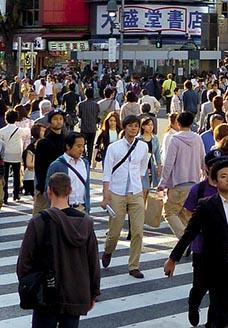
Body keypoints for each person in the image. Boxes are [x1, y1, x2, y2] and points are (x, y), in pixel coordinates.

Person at [165, 159, 228, 328]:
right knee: (218, 310)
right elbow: (190, 233)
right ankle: (200, 311)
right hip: (218, 266)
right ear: (215, 181)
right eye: (223, 176)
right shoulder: (207, 205)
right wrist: (173, 259)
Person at [16, 172, 101, 328]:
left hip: (47, 294)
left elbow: (24, 262)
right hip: (75, 293)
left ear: (49, 191)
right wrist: (94, 292)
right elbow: (93, 262)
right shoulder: (85, 223)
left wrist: (30, 284)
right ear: (70, 191)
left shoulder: (39, 221)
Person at [100, 114, 150, 279]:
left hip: (135, 192)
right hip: (117, 192)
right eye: (130, 126)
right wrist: (105, 195)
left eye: (136, 126)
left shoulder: (143, 146)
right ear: (124, 127)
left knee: (138, 231)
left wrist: (143, 191)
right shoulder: (114, 147)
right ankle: (108, 250)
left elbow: (142, 169)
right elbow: (107, 173)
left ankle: (134, 266)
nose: (133, 129)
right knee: (115, 231)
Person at [180, 154, 220, 326]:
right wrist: (198, 226)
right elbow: (187, 211)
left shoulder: (227, 187)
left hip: (222, 248)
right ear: (206, 168)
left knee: (218, 291)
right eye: (213, 165)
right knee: (200, 285)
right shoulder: (199, 189)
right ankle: (194, 303)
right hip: (201, 247)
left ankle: (213, 322)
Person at [158, 110, 206, 239]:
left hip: (178, 183)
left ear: (178, 123)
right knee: (186, 214)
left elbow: (169, 163)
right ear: (191, 123)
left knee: (169, 212)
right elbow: (203, 160)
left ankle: (185, 240)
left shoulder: (175, 139)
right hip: (194, 182)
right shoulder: (197, 138)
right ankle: (192, 239)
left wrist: (162, 183)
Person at [46, 132, 91, 214]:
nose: (81, 149)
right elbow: (49, 190)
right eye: (78, 146)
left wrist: (87, 206)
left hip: (82, 208)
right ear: (68, 146)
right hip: (63, 210)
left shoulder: (85, 163)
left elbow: (86, 187)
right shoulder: (57, 165)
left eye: (83, 146)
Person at [33, 110, 68, 214]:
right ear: (50, 121)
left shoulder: (67, 140)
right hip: (45, 185)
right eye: (55, 119)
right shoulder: (43, 142)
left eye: (61, 119)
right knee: (40, 217)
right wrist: (41, 186)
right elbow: (38, 166)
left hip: (63, 185)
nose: (58, 121)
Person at [0, 108, 29, 203]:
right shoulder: (20, 130)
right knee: (17, 176)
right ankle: (16, 195)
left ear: (6, 118)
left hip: (5, 155)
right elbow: (28, 131)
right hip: (17, 155)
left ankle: (4, 197)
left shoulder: (2, 131)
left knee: (5, 176)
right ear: (16, 118)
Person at [77, 88, 100, 162]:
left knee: (82, 144)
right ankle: (89, 161)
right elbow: (97, 115)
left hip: (84, 127)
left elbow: (79, 115)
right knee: (90, 146)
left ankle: (83, 157)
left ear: (85, 94)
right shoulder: (96, 105)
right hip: (92, 127)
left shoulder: (81, 104)